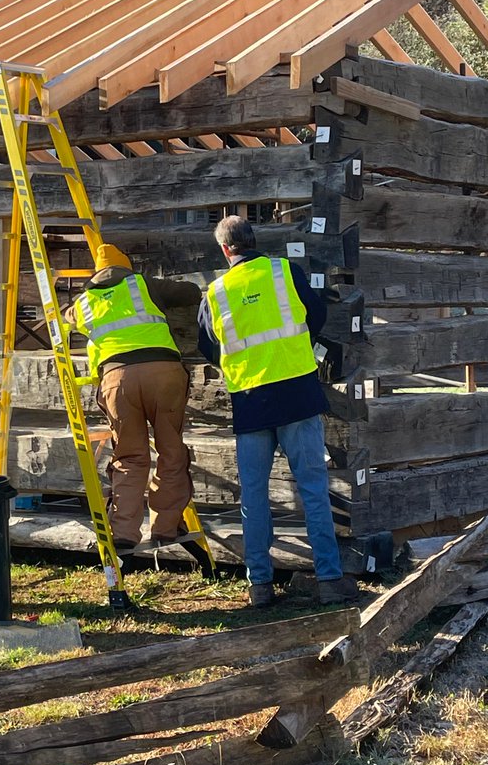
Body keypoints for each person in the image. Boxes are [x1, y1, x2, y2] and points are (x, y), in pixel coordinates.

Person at [198, 215, 358, 607]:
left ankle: (260, 586)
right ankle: (329, 580)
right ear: (254, 241)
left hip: (251, 402)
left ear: (224, 250)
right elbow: (315, 315)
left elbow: (209, 347)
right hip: (298, 394)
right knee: (314, 490)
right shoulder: (284, 270)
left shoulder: (215, 292)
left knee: (253, 497)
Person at [64, 243, 200, 563]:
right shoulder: (144, 285)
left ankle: (124, 533)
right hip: (164, 373)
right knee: (170, 450)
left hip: (117, 381)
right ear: (126, 269)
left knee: (129, 456)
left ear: (96, 274)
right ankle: (165, 527)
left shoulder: (83, 304)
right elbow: (190, 292)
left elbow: (63, 318)